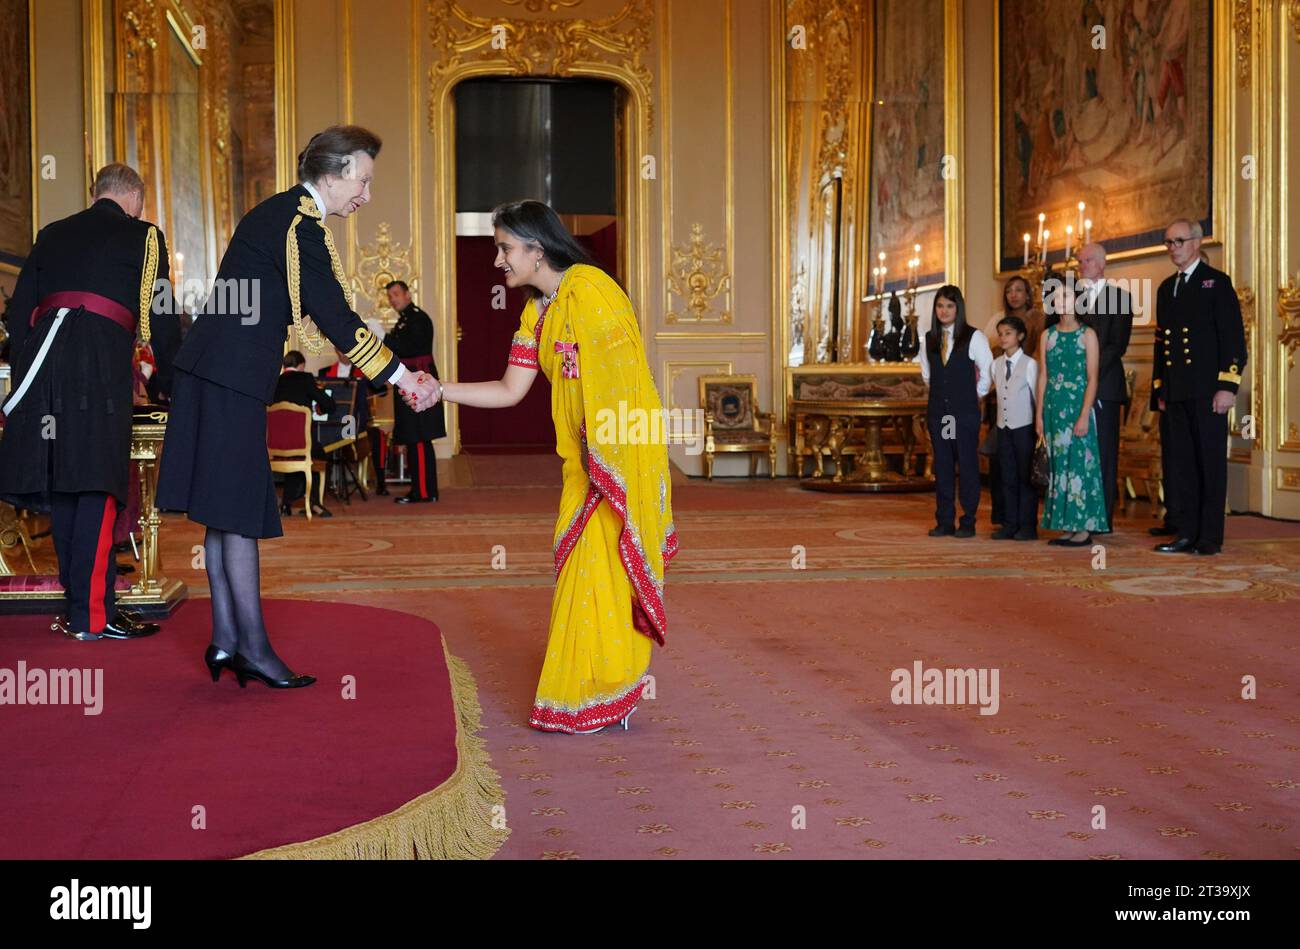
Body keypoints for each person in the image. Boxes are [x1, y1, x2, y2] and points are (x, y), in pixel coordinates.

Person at [155, 125, 438, 689]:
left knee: (223, 514)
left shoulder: (281, 214)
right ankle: (252, 649)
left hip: (213, 372)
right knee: (237, 511)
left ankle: (228, 642)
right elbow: (338, 319)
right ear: (332, 175)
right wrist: (405, 378)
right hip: (229, 377)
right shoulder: (299, 225)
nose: (366, 194)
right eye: (363, 180)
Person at [432, 199, 677, 734]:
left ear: (536, 249)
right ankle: (595, 687)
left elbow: (623, 379)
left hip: (612, 461)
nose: (498, 261)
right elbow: (509, 389)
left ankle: (607, 689)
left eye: (504, 248)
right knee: (579, 575)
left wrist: (606, 457)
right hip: (580, 468)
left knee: (603, 573)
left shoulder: (590, 290)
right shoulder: (535, 313)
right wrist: (440, 392)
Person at [0, 163, 168, 641]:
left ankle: (81, 606)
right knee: (95, 484)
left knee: (67, 488)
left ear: (97, 194)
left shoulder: (51, 232)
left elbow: (18, 313)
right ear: (133, 198)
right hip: (98, 372)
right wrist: (169, 381)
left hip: (46, 374)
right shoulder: (145, 236)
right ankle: (94, 616)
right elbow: (159, 315)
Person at [1151, 219, 1245, 556]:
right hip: (1176, 393)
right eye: (1168, 243)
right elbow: (1162, 344)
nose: (1173, 248)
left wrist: (1227, 386)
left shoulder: (1216, 283)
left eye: (1178, 241)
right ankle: (1186, 532)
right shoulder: (1166, 288)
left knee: (1209, 463)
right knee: (1182, 465)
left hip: (1208, 391)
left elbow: (1233, 339)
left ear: (1196, 242)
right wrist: (1159, 390)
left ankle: (1209, 537)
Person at [1035, 275, 1108, 545]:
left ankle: (1084, 527)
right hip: (1054, 409)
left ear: (1077, 299)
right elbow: (1043, 375)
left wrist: (1084, 415)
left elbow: (1093, 378)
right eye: (1055, 296)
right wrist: (1039, 414)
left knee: (1079, 465)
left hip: (1078, 407)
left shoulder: (1087, 335)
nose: (1060, 301)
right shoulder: (1047, 335)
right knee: (1057, 467)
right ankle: (1066, 524)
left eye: (1065, 296)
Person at [920, 285, 992, 538]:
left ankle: (968, 520)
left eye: (950, 306)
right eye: (940, 306)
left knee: (967, 463)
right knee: (943, 464)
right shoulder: (929, 339)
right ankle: (945, 520)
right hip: (941, 413)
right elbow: (928, 375)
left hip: (964, 413)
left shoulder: (974, 337)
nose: (944, 311)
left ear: (958, 308)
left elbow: (987, 372)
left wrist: (973, 396)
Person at [1072, 242, 1134, 529]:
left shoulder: (1119, 297)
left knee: (1104, 453)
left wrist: (1089, 371)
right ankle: (1077, 515)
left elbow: (1117, 345)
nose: (1081, 265)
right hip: (1071, 387)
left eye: (1086, 260)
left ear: (1101, 263)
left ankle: (1102, 519)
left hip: (1106, 386)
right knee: (1076, 451)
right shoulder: (1070, 297)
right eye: (1079, 261)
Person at [383, 280, 446, 503]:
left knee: (419, 436)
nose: (393, 299)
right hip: (412, 382)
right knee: (414, 437)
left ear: (408, 294)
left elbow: (408, 347)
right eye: (390, 296)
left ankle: (424, 492)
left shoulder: (418, 318)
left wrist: (384, 338)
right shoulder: (406, 320)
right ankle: (420, 489)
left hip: (420, 383)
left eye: (396, 294)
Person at [991, 315, 1039, 540]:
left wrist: (1040, 425)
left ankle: (1028, 525)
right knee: (1007, 476)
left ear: (1020, 336)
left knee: (1025, 477)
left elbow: (1037, 396)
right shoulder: (996, 365)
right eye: (1000, 333)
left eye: (1008, 333)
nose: (1003, 337)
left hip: (1024, 427)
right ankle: (1009, 523)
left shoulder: (1030, 364)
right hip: (1004, 428)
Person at [320, 344, 389, 495]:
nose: (344, 354)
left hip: (357, 423)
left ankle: (381, 483)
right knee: (320, 438)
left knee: (377, 437)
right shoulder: (324, 372)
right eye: (341, 350)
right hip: (334, 424)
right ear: (336, 351)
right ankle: (324, 488)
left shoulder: (363, 372)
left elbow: (382, 391)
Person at [274, 350, 335, 517]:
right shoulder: (306, 378)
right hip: (302, 442)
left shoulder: (274, 381)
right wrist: (320, 406)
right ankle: (315, 503)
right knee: (319, 454)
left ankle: (286, 504)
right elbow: (330, 405)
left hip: (274, 445)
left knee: (294, 457)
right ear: (301, 365)